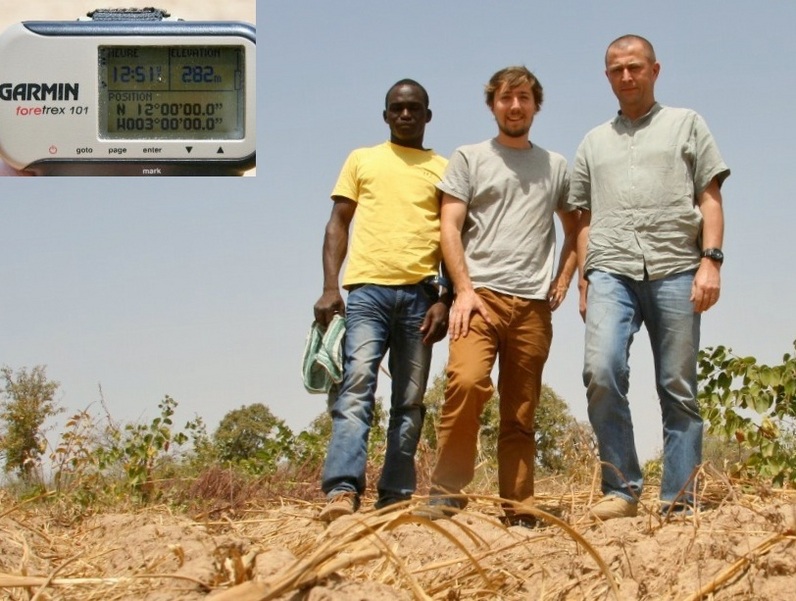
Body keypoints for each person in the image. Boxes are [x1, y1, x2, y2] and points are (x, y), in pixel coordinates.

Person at [570, 35, 730, 520]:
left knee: (677, 385)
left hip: (677, 266)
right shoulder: (593, 142)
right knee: (600, 370)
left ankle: (680, 499)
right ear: (607, 77)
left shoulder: (688, 124)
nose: (626, 76)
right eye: (617, 69)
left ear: (655, 70)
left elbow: (709, 198)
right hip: (610, 270)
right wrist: (584, 278)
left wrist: (712, 261)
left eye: (635, 67)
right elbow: (582, 219)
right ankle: (620, 489)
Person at [418, 66, 579, 527]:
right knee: (465, 384)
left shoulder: (556, 166)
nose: (515, 106)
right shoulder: (469, 158)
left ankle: (521, 508)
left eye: (524, 98)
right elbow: (448, 226)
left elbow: (575, 228)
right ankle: (446, 494)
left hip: (532, 306)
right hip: (479, 299)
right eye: (506, 98)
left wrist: (565, 276)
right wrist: (462, 291)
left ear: (536, 105)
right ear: (492, 105)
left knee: (521, 409)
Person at [314, 79, 450, 523]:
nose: (405, 115)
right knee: (356, 389)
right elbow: (338, 223)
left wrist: (445, 297)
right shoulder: (362, 159)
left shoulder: (445, 168)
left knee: (409, 402)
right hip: (366, 293)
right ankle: (342, 491)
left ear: (428, 115)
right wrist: (330, 286)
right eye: (397, 108)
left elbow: (454, 237)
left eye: (414, 108)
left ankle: (395, 497)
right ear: (386, 115)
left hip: (421, 297)